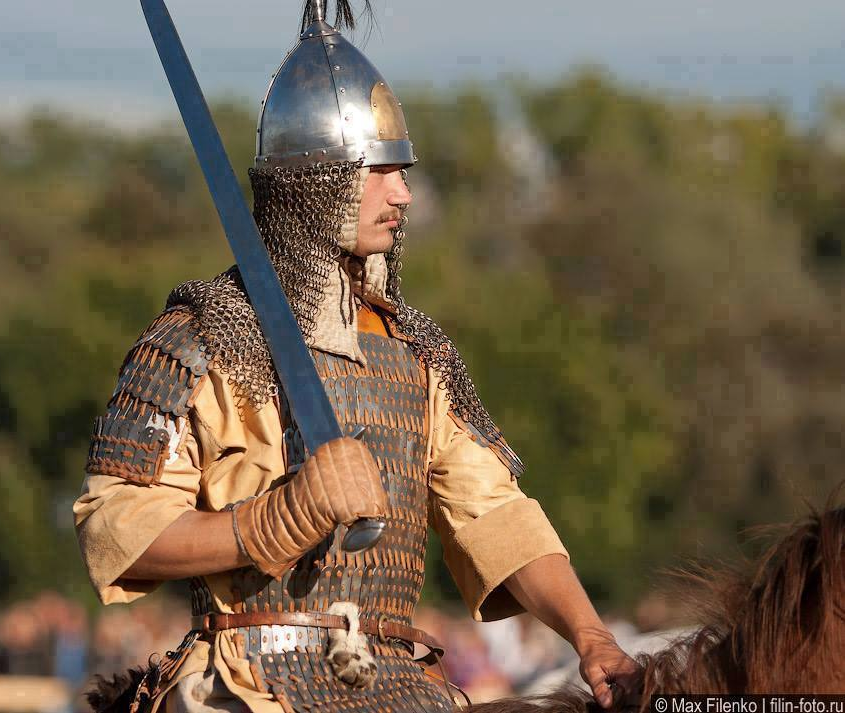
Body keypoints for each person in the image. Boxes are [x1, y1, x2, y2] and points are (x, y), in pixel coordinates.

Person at [74, 2, 638, 711]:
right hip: (246, 682)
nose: (403, 192)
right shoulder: (200, 336)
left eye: (402, 171)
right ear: (317, 180)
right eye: (380, 170)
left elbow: (495, 516)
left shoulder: (414, 351)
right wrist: (273, 520)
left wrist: (589, 636)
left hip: (396, 678)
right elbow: (114, 527)